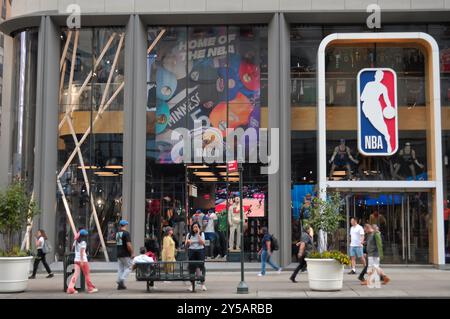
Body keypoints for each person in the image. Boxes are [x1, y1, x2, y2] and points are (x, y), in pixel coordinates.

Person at [360, 69, 393, 153]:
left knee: (381, 123)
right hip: (367, 106)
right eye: (378, 75)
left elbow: (387, 99)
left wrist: (389, 107)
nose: (379, 77)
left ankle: (388, 140)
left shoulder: (383, 87)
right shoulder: (369, 84)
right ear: (375, 76)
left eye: (380, 76)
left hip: (375, 106)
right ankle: (387, 137)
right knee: (376, 124)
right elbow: (362, 97)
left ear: (381, 78)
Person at [67, 229, 98, 294]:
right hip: (83, 260)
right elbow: (81, 251)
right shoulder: (83, 242)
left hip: (76, 260)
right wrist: (81, 260)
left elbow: (73, 248)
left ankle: (70, 288)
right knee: (87, 274)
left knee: (75, 274)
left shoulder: (76, 241)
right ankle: (90, 288)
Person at [185, 222, 207, 291]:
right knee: (192, 268)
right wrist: (188, 242)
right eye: (194, 227)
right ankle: (192, 284)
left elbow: (202, 243)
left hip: (200, 251)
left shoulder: (201, 234)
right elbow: (186, 244)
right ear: (192, 228)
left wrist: (198, 234)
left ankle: (202, 284)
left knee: (201, 267)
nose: (195, 228)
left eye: (197, 227)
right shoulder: (189, 235)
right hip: (192, 251)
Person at [116, 219, 134, 290]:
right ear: (125, 225)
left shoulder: (117, 233)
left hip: (119, 253)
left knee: (121, 269)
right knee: (130, 267)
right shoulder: (126, 233)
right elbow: (128, 245)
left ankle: (120, 284)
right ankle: (121, 280)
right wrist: (132, 253)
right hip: (125, 253)